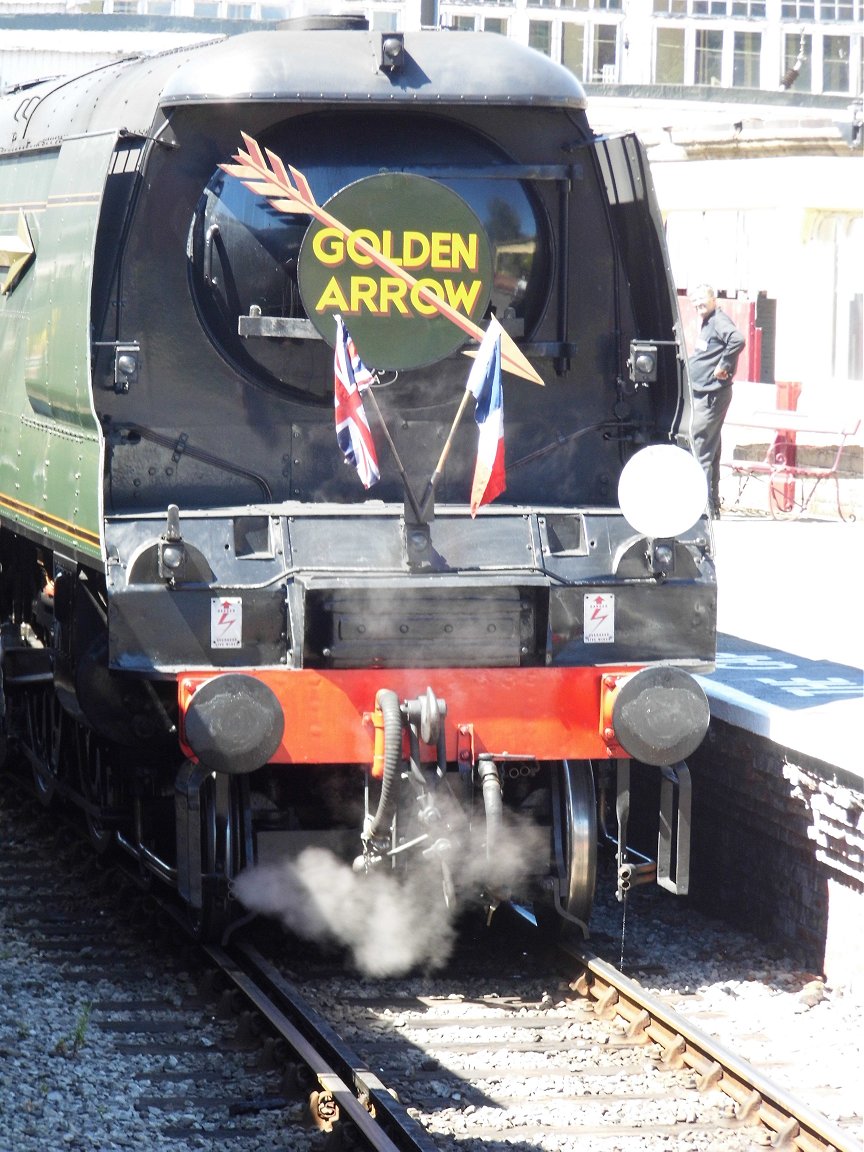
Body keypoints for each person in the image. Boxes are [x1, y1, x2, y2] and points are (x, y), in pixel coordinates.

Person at [687, 284, 746, 517]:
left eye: (702, 299)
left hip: (712, 394)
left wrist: (725, 365)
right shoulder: (708, 321)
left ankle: (700, 509)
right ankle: (710, 506)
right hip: (705, 392)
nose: (698, 303)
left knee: (700, 447)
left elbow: (738, 340)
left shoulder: (719, 320)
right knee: (711, 449)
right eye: (694, 300)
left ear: (713, 299)